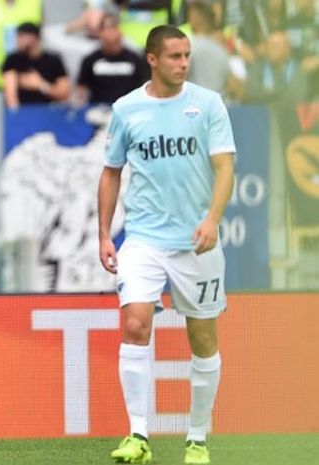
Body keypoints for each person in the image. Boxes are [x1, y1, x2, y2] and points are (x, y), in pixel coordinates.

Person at [97, 26, 235, 465]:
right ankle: (138, 435)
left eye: (187, 55)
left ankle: (196, 438)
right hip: (144, 240)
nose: (183, 63)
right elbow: (111, 171)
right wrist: (104, 233)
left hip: (196, 242)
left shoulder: (208, 104)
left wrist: (212, 219)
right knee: (136, 324)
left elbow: (225, 168)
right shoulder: (126, 109)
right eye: (175, 56)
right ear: (152, 59)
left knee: (203, 338)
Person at [76, 12, 149, 105]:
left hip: (127, 108)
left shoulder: (135, 59)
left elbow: (143, 88)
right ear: (100, 33)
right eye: (107, 28)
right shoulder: (90, 60)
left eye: (114, 27)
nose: (111, 33)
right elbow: (81, 89)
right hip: (98, 109)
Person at [2, 22, 70, 108]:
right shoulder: (12, 60)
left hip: (49, 113)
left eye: (21, 36)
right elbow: (10, 96)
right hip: (23, 113)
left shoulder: (53, 60)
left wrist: (41, 85)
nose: (17, 40)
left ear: (34, 37)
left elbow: (64, 93)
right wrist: (16, 115)